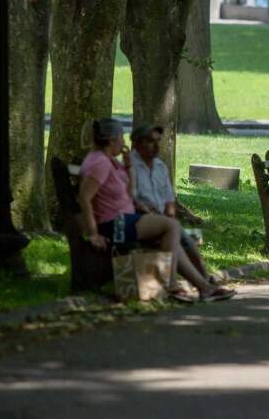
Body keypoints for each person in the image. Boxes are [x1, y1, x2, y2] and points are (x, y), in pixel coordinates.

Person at [78, 119, 235, 303]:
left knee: (172, 236)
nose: (123, 142)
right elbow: (84, 197)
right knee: (172, 226)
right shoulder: (100, 163)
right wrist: (93, 234)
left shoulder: (109, 161)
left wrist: (128, 168)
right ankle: (169, 284)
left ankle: (205, 288)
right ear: (112, 140)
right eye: (121, 137)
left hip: (123, 220)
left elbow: (128, 194)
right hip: (116, 224)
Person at [130, 124, 213, 278]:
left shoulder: (160, 166)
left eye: (158, 141)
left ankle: (205, 281)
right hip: (142, 219)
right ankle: (194, 282)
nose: (155, 146)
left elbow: (169, 200)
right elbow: (131, 199)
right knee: (180, 237)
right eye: (150, 141)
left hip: (163, 220)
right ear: (136, 144)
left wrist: (169, 215)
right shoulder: (129, 166)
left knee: (183, 236)